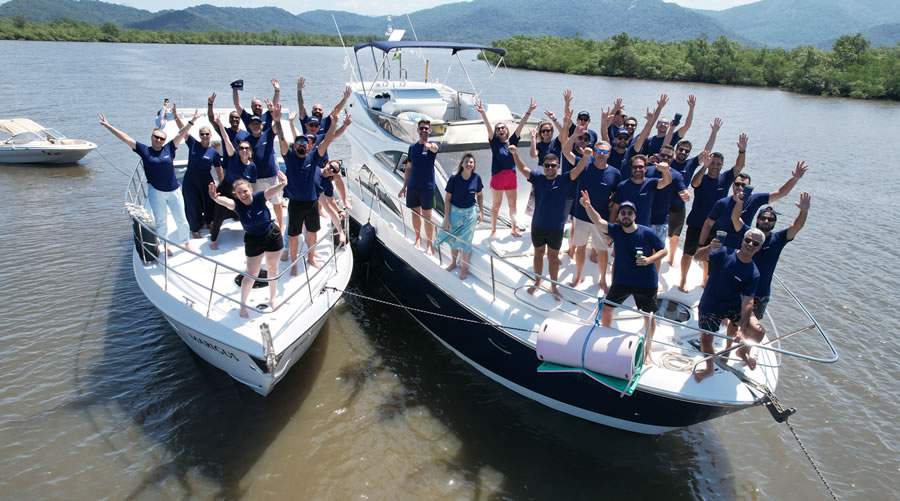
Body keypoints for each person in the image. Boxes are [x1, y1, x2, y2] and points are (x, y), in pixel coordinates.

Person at [579, 194, 668, 363]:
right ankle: (604, 336)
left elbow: (664, 251)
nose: (626, 215)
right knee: (606, 309)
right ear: (619, 216)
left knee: (648, 317)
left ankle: (648, 349)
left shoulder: (647, 233)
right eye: (623, 213)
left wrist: (649, 260)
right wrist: (587, 206)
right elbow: (599, 222)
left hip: (646, 283)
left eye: (629, 213)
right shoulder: (616, 231)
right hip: (622, 281)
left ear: (635, 215)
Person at [99, 111, 197, 254]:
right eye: (156, 137)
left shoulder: (169, 148)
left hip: (174, 190)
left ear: (164, 140)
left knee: (181, 219)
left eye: (161, 138)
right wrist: (108, 126)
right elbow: (125, 138)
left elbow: (181, 133)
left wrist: (192, 120)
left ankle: (186, 242)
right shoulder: (144, 150)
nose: (158, 140)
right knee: (161, 221)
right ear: (151, 137)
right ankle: (165, 244)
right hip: (156, 192)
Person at [510, 132, 588, 300]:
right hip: (538, 226)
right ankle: (537, 281)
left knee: (553, 258)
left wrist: (586, 157)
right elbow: (523, 169)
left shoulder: (565, 179)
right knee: (538, 254)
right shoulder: (538, 178)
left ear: (558, 167)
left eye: (553, 166)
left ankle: (553, 286)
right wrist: (515, 154)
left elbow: (578, 169)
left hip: (556, 229)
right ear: (543, 166)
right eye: (547, 165)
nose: (550, 168)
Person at [275, 104, 351, 273]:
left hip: (311, 203)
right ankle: (294, 263)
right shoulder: (289, 158)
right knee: (293, 235)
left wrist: (335, 123)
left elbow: (328, 139)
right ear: (295, 146)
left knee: (312, 232)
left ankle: (311, 257)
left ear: (309, 146)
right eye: (299, 143)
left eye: (305, 143)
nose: (302, 145)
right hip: (295, 204)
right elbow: (281, 139)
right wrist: (277, 119)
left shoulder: (314, 157)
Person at [208, 174, 287, 318]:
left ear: (250, 190)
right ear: (235, 195)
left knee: (272, 268)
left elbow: (271, 191)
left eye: (245, 191)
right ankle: (243, 305)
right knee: (251, 274)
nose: (243, 195)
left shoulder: (259, 197)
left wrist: (283, 183)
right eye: (239, 193)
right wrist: (215, 198)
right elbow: (226, 202)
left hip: (272, 235)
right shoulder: (236, 204)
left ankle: (272, 298)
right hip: (253, 240)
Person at [692, 227, 765, 381]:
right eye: (748, 240)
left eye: (755, 243)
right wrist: (709, 247)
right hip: (711, 303)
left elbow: (748, 301)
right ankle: (709, 368)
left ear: (759, 248)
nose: (750, 244)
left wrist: (743, 329)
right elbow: (696, 257)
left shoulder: (754, 273)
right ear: (742, 240)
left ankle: (742, 351)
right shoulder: (724, 252)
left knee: (758, 332)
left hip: (732, 305)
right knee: (706, 339)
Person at [677, 134, 748, 292]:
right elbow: (694, 183)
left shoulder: (726, 178)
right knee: (688, 253)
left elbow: (739, 167)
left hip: (716, 226)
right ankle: (682, 281)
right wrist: (704, 166)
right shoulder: (702, 177)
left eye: (718, 163)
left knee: (711, 256)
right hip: (696, 223)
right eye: (713, 162)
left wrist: (742, 151)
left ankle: (705, 281)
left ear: (722, 165)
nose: (715, 165)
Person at [727, 193, 810, 319]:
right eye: (763, 218)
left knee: (751, 328)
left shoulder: (779, 239)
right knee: (734, 323)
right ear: (757, 220)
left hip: (761, 293)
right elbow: (735, 218)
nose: (766, 221)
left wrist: (804, 211)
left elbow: (797, 226)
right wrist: (739, 203)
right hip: (740, 288)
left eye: (770, 219)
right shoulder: (748, 234)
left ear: (774, 223)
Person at [700, 161, 808, 249]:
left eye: (744, 185)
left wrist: (795, 178)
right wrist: (701, 244)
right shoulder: (722, 203)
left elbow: (781, 193)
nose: (740, 188)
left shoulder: (755, 199)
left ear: (749, 187)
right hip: (721, 245)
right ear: (733, 185)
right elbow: (708, 224)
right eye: (737, 184)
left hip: (744, 248)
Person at [475, 97, 535, 237]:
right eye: (498, 129)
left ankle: (514, 229)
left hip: (511, 177)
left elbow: (521, 125)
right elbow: (488, 127)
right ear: (496, 133)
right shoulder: (494, 142)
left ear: (507, 131)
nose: (500, 130)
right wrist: (483, 113)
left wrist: (529, 111)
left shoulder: (513, 141)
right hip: (498, 177)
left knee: (512, 205)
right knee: (496, 205)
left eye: (503, 128)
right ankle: (493, 230)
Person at [666, 118, 722, 265]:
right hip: (662, 204)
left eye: (686, 151)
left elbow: (707, 152)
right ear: (676, 150)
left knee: (675, 236)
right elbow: (666, 143)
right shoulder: (667, 162)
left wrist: (714, 132)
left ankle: (671, 259)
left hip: (679, 206)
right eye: (681, 149)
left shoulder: (690, 164)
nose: (683, 152)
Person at [568, 139, 621, 291]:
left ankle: (602, 280)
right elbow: (566, 152)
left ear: (609, 154)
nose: (601, 155)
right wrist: (575, 134)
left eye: (605, 152)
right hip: (581, 216)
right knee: (580, 247)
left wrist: (611, 222)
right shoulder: (584, 164)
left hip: (601, 219)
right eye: (599, 151)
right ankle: (578, 275)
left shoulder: (615, 173)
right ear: (595, 152)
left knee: (602, 250)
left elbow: (616, 200)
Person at [210, 114, 259, 250]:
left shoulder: (252, 166)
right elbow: (226, 140)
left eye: (246, 148)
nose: (243, 150)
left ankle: (250, 235)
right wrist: (219, 123)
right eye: (241, 148)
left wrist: (251, 199)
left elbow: (252, 185)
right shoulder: (233, 158)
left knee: (245, 214)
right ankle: (213, 239)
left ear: (250, 152)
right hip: (225, 189)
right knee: (219, 215)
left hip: (240, 193)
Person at [173, 112, 222, 238]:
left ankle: (209, 222)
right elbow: (183, 130)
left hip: (206, 180)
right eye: (202, 134)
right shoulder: (193, 144)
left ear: (210, 135)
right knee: (192, 204)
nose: (204, 136)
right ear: (199, 136)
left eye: (207, 134)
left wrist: (222, 184)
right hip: (190, 181)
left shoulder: (214, 152)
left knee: (209, 203)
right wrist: (175, 116)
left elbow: (218, 169)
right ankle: (194, 229)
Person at [437, 153, 485, 280]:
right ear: (462, 164)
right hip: (455, 213)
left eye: (471, 162)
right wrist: (446, 218)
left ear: (473, 165)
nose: (469, 164)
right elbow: (447, 199)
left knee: (466, 243)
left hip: (470, 214)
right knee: (453, 240)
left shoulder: (477, 178)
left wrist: (481, 211)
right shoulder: (454, 179)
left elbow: (480, 195)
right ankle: (453, 263)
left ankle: (464, 269)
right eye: (467, 161)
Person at [398, 119, 441, 254]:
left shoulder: (433, 146)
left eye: (426, 128)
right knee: (415, 214)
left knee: (427, 217)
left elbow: (435, 148)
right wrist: (404, 186)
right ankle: (417, 237)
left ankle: (429, 243)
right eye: (421, 128)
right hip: (413, 186)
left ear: (429, 131)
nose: (424, 130)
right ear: (418, 130)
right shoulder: (412, 148)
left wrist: (428, 146)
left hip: (427, 187)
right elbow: (409, 168)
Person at [611, 155, 672, 227]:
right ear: (631, 168)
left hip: (644, 229)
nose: (638, 169)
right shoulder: (622, 186)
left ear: (645, 168)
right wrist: (611, 228)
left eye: (641, 167)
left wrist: (665, 170)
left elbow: (667, 181)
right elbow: (615, 209)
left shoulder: (651, 183)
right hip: (624, 228)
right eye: (635, 167)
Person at [318, 159, 351, 245]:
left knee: (329, 209)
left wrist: (339, 210)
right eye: (331, 166)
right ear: (327, 163)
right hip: (302, 198)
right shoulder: (314, 168)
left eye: (334, 170)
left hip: (315, 198)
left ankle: (341, 233)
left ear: (334, 174)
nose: (331, 170)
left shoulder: (328, 185)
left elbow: (331, 200)